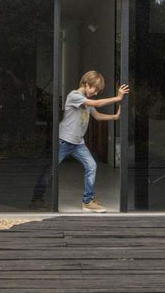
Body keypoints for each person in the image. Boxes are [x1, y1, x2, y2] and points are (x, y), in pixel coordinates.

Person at [32, 70, 128, 211]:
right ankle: (36, 199)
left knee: (91, 166)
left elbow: (98, 116)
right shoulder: (74, 96)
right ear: (86, 84)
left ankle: (87, 201)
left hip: (78, 143)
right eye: (95, 89)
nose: (96, 93)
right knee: (50, 170)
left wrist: (115, 117)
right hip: (63, 141)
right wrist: (117, 98)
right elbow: (98, 103)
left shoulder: (87, 102)